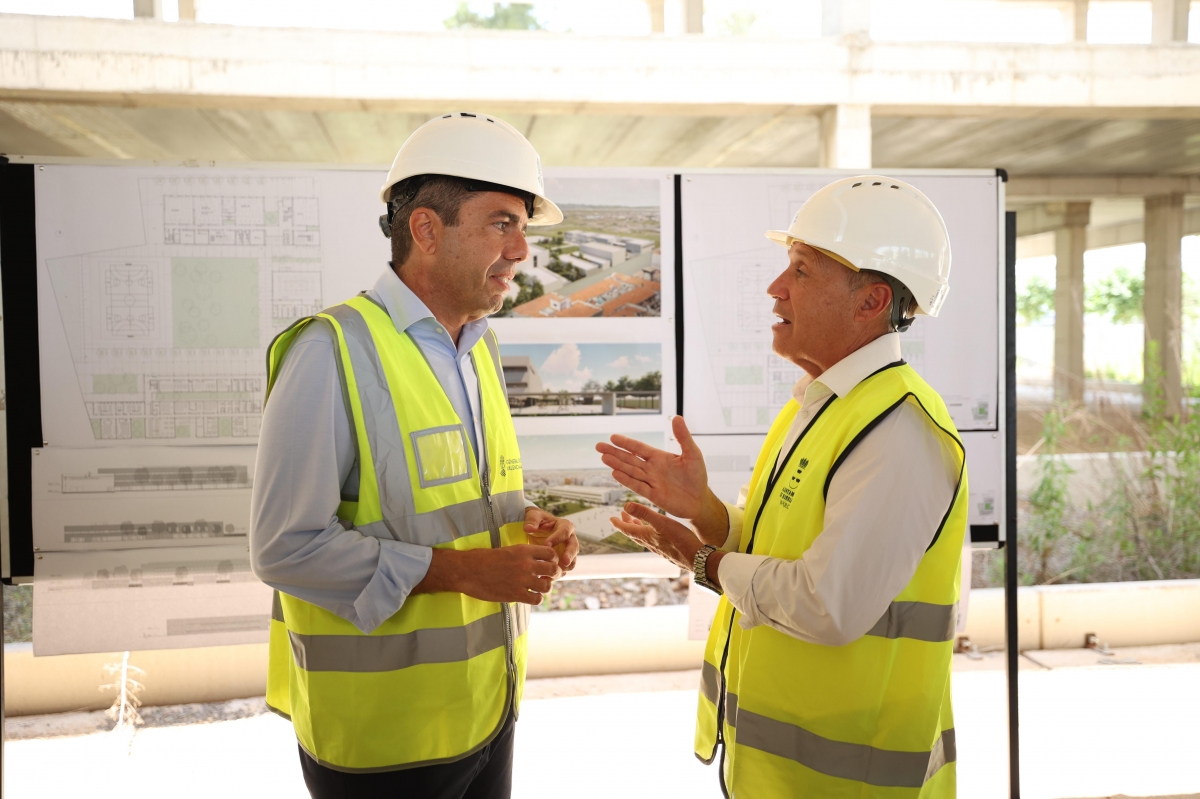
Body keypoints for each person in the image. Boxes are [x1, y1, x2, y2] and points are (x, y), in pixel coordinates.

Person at [598, 176, 966, 797]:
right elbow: (784, 547)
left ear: (871, 301)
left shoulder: (899, 430)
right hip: (778, 776)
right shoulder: (821, 403)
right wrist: (707, 513)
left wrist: (701, 560)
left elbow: (827, 604)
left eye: (801, 270)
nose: (775, 289)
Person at [251, 112, 579, 799]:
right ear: (427, 229)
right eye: (501, 223)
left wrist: (531, 523)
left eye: (523, 226)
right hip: (384, 743)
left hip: (487, 707)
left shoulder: (479, 344)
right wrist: (463, 570)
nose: (523, 249)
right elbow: (284, 549)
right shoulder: (329, 351)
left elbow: (459, 502)